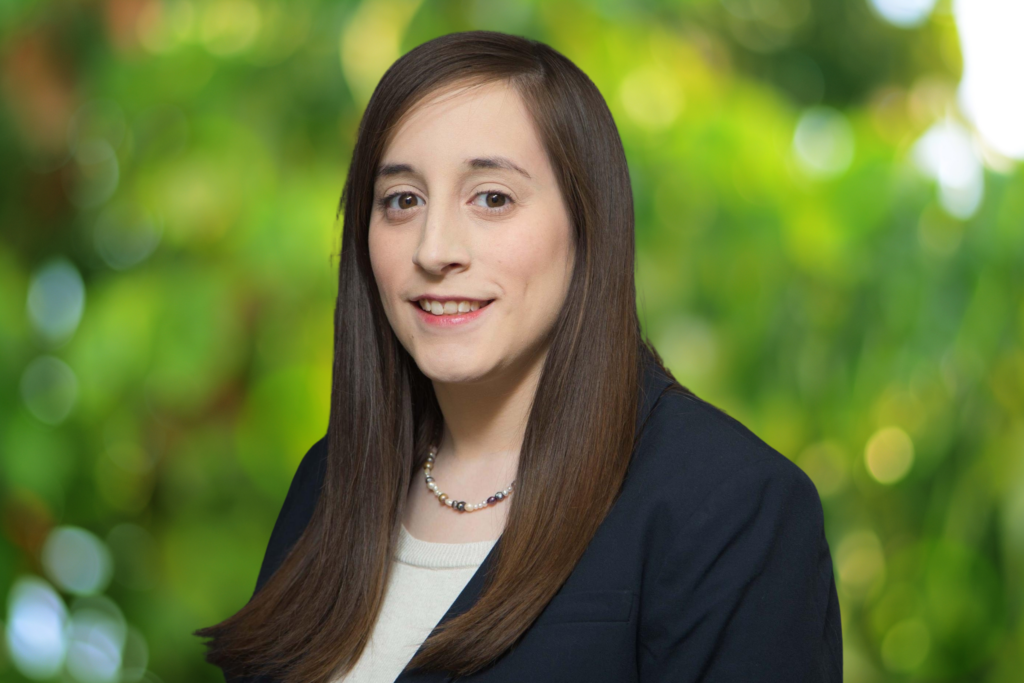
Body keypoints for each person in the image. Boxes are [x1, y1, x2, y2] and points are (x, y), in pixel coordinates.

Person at [195, 30, 842, 683]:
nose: (435, 247)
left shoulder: (732, 507)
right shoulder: (329, 485)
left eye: (492, 197)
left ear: (589, 226)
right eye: (402, 200)